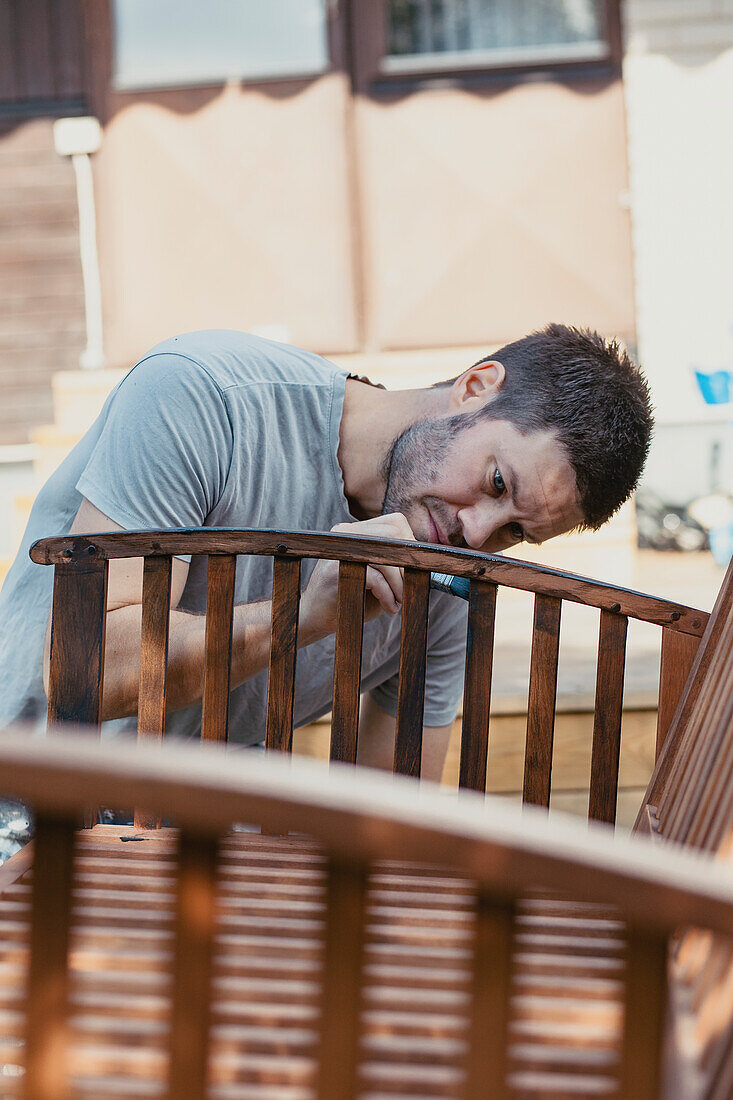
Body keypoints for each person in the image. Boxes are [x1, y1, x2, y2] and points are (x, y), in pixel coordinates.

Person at [0, 323, 653, 780]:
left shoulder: (447, 576)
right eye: (495, 484)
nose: (476, 535)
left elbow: (386, 817)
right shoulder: (204, 398)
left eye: (515, 532)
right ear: (476, 386)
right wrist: (300, 616)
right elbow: (82, 670)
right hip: (33, 806)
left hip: (188, 855)